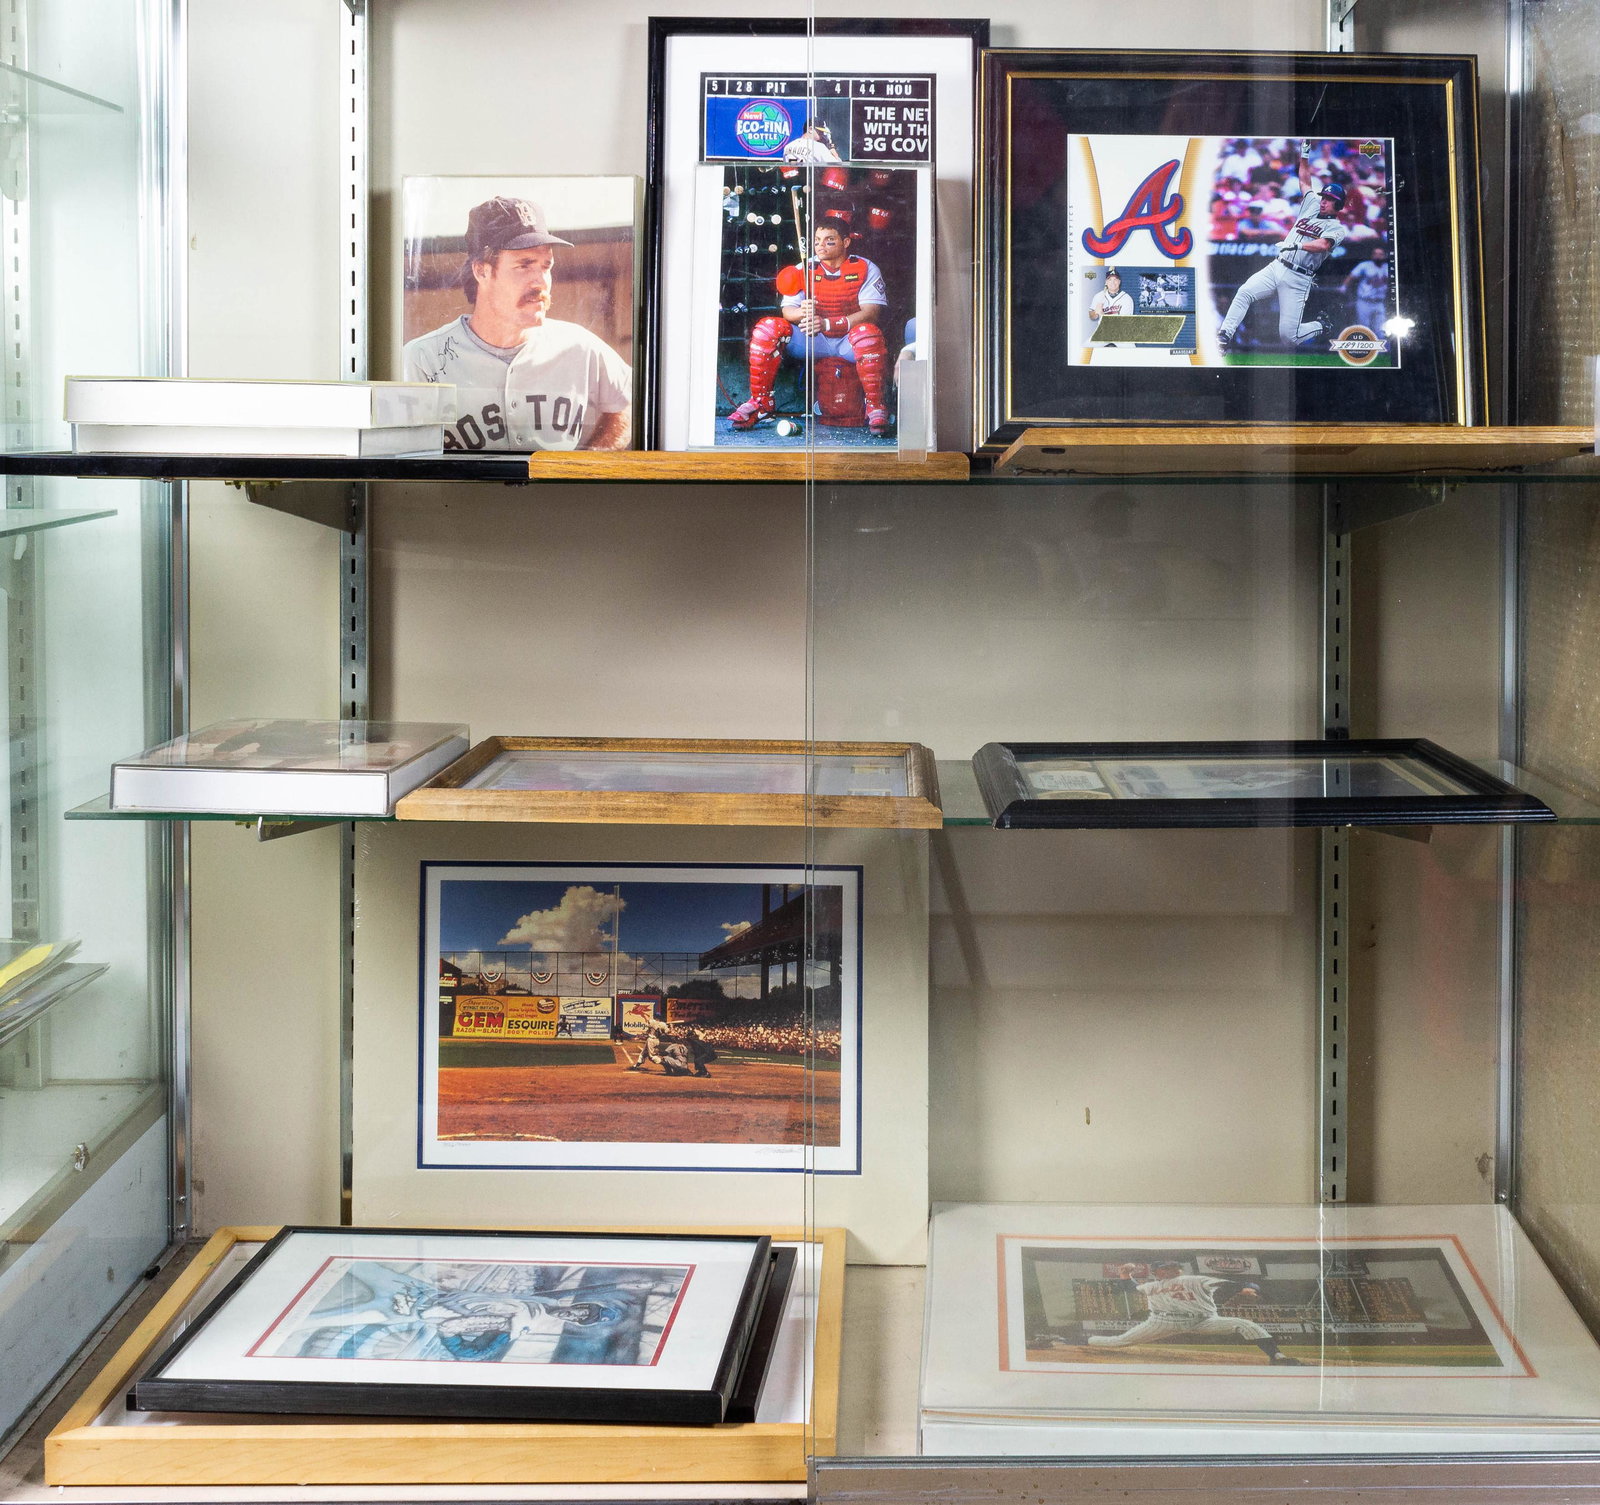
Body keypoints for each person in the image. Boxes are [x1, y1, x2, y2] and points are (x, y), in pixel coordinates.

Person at [403, 195, 632, 452]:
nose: (541, 281)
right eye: (524, 265)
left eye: (546, 266)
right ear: (482, 271)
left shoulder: (580, 346)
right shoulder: (423, 359)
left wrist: (590, 462)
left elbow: (629, 403)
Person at [729, 217, 891, 436]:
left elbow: (871, 312)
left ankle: (875, 406)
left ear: (845, 242)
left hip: (848, 341)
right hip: (815, 341)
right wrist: (802, 313)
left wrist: (827, 323)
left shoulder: (865, 267)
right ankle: (761, 402)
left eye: (829, 240)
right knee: (768, 328)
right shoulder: (803, 268)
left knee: (868, 334)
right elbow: (788, 311)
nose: (821, 246)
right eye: (817, 241)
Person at [1218, 144, 1350, 351]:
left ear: (1339, 205)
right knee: (1244, 292)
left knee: (1289, 337)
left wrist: (1297, 245)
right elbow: (1305, 181)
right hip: (1278, 265)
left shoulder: (1337, 228)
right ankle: (1224, 336)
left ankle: (1321, 325)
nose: (1324, 201)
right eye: (1324, 197)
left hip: (1299, 277)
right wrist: (1304, 156)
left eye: (1330, 200)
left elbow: (1323, 245)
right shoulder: (1312, 204)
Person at [1081, 1261, 1304, 1365]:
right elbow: (1131, 1289)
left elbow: (1237, 1283)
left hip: (1204, 1321)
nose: (1172, 1269)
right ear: (1158, 1272)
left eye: (1173, 1266)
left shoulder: (1195, 1279)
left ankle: (1277, 1357)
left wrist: (1248, 1288)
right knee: (1119, 1341)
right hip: (1162, 1322)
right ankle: (1083, 1340)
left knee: (1247, 1325)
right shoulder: (1151, 1285)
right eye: (1166, 1268)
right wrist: (1124, 1275)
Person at [1341, 244, 1391, 333]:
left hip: (1379, 302)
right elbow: (1351, 276)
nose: (1378, 256)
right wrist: (1344, 286)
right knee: (1364, 328)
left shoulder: (1388, 267)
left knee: (1381, 329)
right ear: (1372, 255)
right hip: (1364, 302)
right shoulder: (1364, 265)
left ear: (1385, 256)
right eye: (1375, 254)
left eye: (1380, 254)